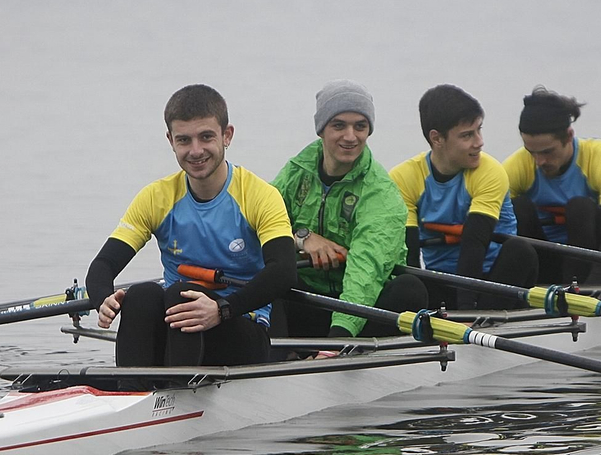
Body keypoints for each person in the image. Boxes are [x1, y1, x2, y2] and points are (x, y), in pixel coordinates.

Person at [84, 84, 296, 368]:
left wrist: (221, 310)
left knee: (177, 294)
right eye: (184, 140)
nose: (196, 151)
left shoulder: (260, 195)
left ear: (227, 135)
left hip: (241, 326)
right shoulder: (156, 197)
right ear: (171, 140)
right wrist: (103, 298)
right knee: (141, 296)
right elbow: (103, 265)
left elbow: (283, 272)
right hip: (182, 329)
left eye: (206, 137)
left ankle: (176, 395)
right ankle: (131, 391)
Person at [270, 80, 426, 342]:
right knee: (272, 274)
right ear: (321, 130)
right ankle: (277, 355)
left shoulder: (381, 193)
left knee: (410, 289)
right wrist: (302, 238)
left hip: (363, 309)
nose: (350, 137)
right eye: (339, 125)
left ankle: (337, 352)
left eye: (360, 126)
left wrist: (337, 340)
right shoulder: (297, 171)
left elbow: (365, 271)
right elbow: (263, 222)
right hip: (310, 300)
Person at [390, 84, 537, 310]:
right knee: (409, 283)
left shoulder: (490, 171)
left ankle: (478, 319)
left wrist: (467, 314)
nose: (479, 142)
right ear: (437, 139)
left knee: (521, 250)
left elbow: (474, 245)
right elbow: (409, 255)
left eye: (479, 129)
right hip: (444, 281)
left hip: (496, 279)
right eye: (467, 135)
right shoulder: (404, 178)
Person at [503, 88, 601, 286]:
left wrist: (590, 292)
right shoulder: (518, 165)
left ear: (569, 135)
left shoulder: (600, 158)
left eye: (547, 152)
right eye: (531, 152)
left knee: (580, 207)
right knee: (518, 207)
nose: (539, 161)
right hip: (549, 269)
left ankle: (578, 292)